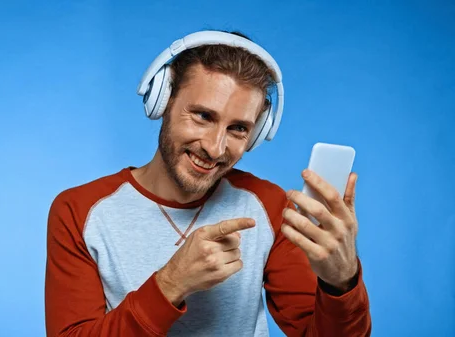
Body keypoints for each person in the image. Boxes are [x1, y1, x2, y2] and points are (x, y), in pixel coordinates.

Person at [44, 29, 371, 337]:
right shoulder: (80, 210)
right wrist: (170, 284)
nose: (215, 148)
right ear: (163, 100)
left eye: (238, 129)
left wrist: (341, 283)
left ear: (255, 134)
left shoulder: (268, 206)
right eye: (203, 116)